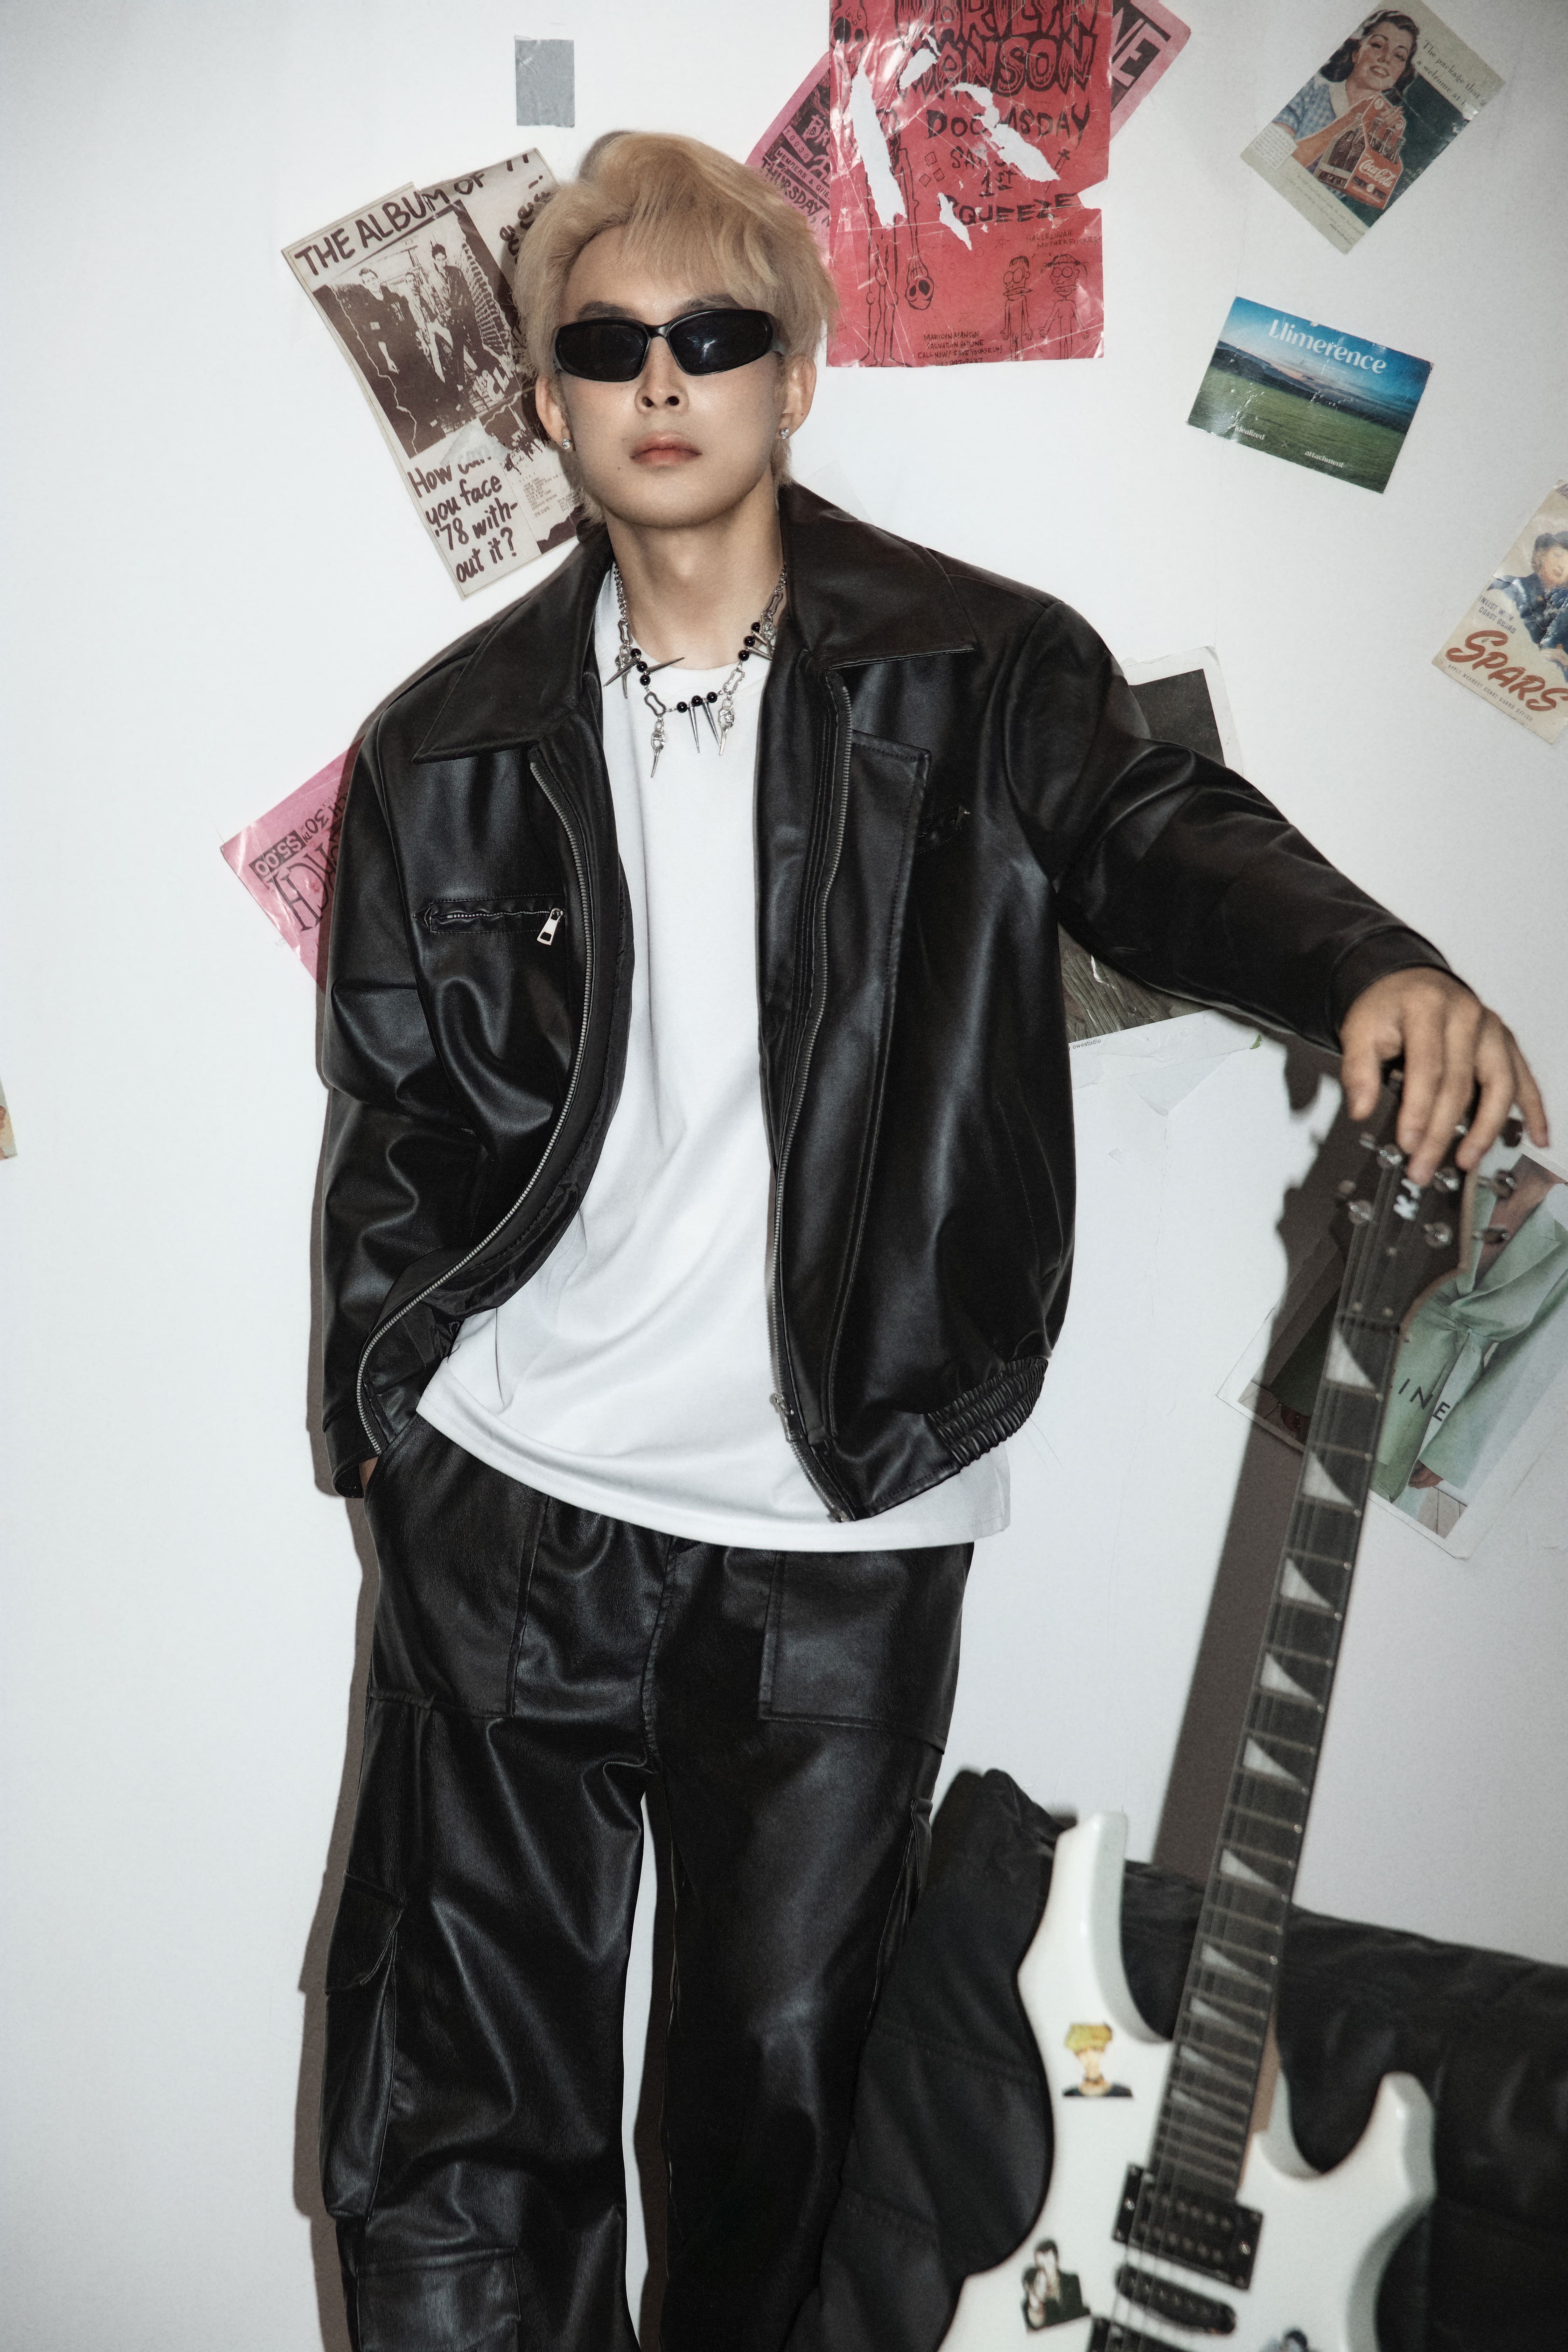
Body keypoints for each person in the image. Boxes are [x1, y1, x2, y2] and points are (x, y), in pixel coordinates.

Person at [316, 130, 1546, 2352]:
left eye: (715, 333)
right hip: (511, 1517)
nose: (662, 376)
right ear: (551, 407)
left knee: (778, 2123)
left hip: (840, 1507)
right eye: (606, 346)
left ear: (795, 374)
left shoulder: (980, 678)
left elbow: (1161, 837)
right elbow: (401, 1132)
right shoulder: (451, 748)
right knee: (463, 2127)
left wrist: (1370, 962)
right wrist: (391, 1431)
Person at [1273, 10, 1419, 193]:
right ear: (1356, 52)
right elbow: (1273, 159)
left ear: (1402, 73)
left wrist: (1378, 148)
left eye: (1399, 56)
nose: (1386, 59)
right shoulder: (1310, 91)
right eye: (1378, 45)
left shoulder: (1384, 129)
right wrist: (1352, 120)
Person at [1489, 528, 1568, 645]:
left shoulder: (1561, 612)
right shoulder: (1508, 586)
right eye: (1557, 555)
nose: (1562, 566)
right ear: (1543, 554)